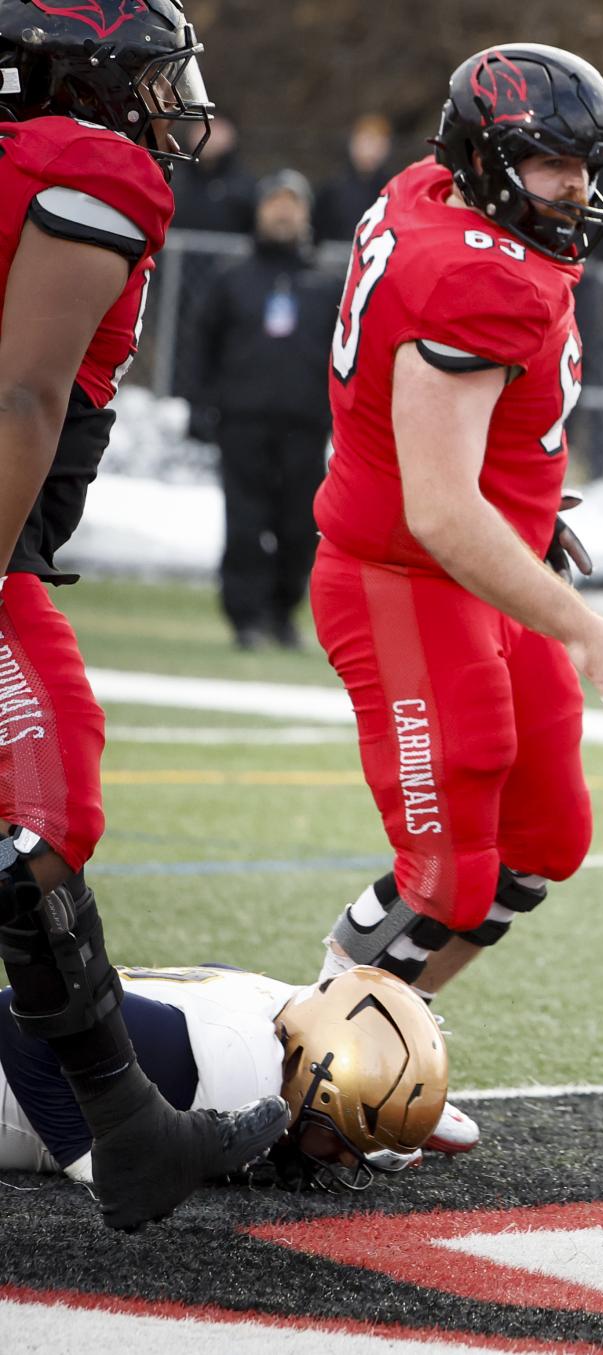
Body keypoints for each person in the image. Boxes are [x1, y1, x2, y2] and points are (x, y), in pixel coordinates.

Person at [308, 40, 603, 1100]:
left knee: (546, 837)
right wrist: (586, 623)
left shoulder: (433, 190)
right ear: (489, 160)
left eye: (586, 166)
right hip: (406, 575)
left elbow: (473, 459)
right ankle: (310, 1063)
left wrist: (532, 506)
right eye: (552, 164)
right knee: (449, 876)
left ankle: (389, 1027)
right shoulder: (475, 275)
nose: (577, 189)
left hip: (481, 566)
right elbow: (443, 509)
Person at [0, 0, 288, 1231]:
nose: (173, 106)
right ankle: (126, 1128)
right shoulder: (90, 169)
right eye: (154, 78)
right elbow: (23, 390)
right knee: (43, 814)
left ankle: (123, 1128)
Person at [1, 964, 462, 1189]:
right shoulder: (234, 1064)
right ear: (313, 1078)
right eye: (345, 1141)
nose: (345, 1160)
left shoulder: (294, 1011)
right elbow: (26, 1006)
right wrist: (86, 1158)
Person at [177, 169, 338, 649]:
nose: (284, 212)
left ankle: (283, 613)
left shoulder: (328, 286)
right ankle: (245, 619)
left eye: (293, 203)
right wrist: (198, 406)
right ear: (261, 210)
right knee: (244, 523)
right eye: (275, 202)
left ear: (307, 214)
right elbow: (199, 346)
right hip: (242, 422)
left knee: (299, 525)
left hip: (306, 425)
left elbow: (345, 358)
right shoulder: (232, 279)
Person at [312, 113, 395, 245]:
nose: (370, 150)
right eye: (366, 141)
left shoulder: (394, 190)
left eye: (377, 143)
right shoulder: (332, 190)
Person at [165, 113, 253, 235]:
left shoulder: (244, 186)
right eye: (202, 126)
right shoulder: (172, 179)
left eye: (217, 129)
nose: (209, 135)